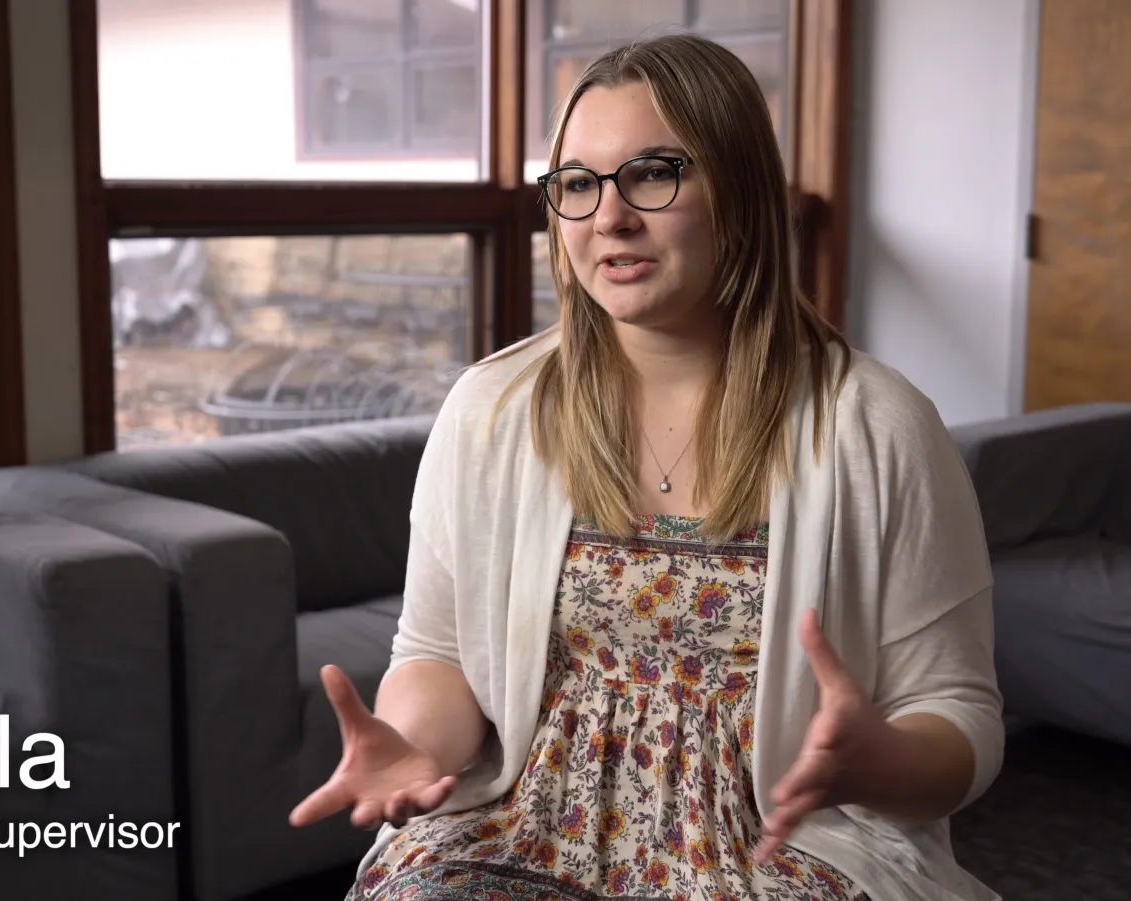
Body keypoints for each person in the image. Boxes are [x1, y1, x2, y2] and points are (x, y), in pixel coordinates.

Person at [289, 33, 1004, 901]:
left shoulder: (878, 426)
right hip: (529, 815)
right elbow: (438, 651)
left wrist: (884, 762)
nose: (609, 218)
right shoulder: (491, 410)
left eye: (654, 173)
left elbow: (959, 710)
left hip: (777, 841)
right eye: (579, 185)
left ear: (738, 192)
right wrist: (414, 744)